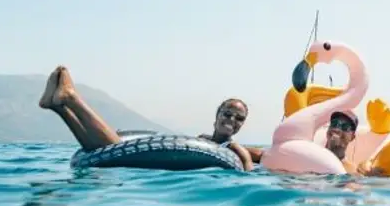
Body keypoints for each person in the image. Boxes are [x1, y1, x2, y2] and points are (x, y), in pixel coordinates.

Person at [38, 65, 254, 171]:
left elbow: (246, 177)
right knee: (106, 148)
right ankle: (61, 106)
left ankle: (69, 101)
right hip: (161, 166)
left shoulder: (236, 150)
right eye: (227, 113)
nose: (232, 120)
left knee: (109, 146)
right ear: (216, 116)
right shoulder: (202, 138)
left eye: (239, 118)